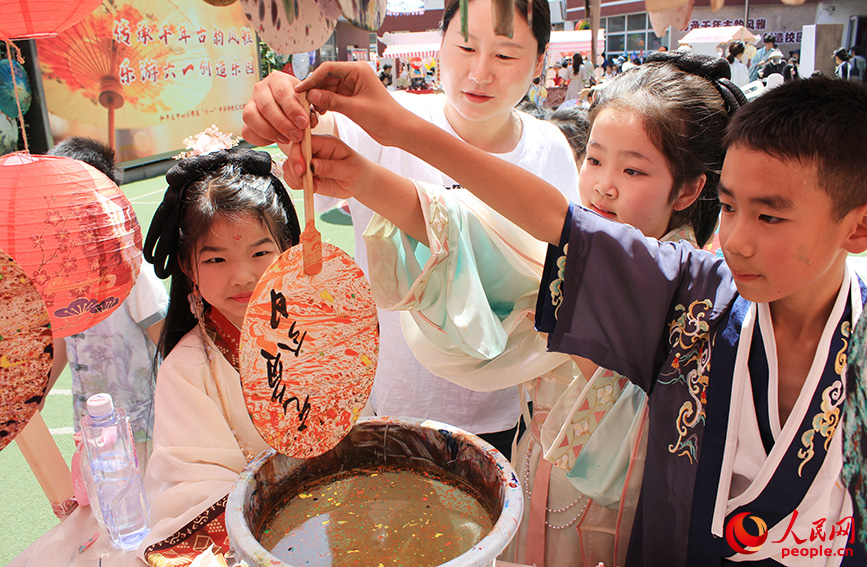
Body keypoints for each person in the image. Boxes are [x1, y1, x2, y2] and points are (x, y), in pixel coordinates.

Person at [296, 69, 867, 564]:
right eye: (734, 207)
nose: (738, 240)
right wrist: (392, 138)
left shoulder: (700, 289)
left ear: (857, 227)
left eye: (769, 218)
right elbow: (544, 227)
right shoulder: (695, 297)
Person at [242, 0, 579, 460]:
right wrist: (281, 103)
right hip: (396, 410)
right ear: (440, 43)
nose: (480, 73)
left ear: (540, 60)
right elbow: (292, 168)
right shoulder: (377, 117)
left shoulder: (551, 151)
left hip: (510, 413)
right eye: (465, 46)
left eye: (504, 55)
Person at [138, 148, 301, 559]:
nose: (243, 275)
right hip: (267, 540)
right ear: (188, 267)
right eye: (216, 258)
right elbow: (194, 490)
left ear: (287, 249)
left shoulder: (323, 330)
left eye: (261, 253)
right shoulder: (187, 371)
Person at [45, 137, 168, 472]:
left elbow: (167, 346)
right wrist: (32, 399)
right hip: (93, 427)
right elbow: (58, 347)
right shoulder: (59, 281)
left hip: (143, 426)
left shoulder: (132, 271)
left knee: (146, 505)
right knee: (107, 507)